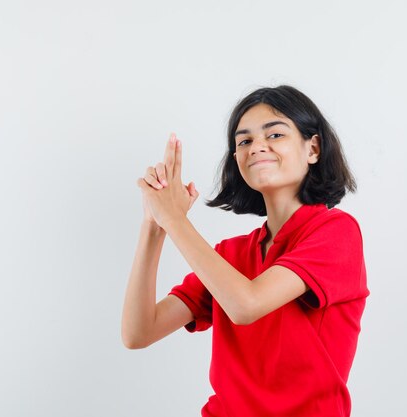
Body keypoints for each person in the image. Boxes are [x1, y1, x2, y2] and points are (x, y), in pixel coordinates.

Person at [122, 85, 369, 417]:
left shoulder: (336, 232)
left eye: (275, 134)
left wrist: (174, 217)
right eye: (244, 141)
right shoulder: (230, 255)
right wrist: (154, 225)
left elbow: (247, 304)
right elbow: (139, 332)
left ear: (313, 148)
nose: (257, 147)